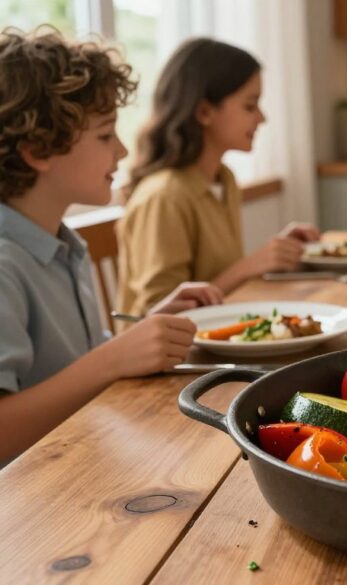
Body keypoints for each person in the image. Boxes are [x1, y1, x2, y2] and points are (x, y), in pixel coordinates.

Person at [0, 29, 222, 462]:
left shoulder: (61, 244)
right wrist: (113, 360)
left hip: (79, 460)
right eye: (105, 135)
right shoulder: (5, 263)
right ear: (38, 150)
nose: (121, 150)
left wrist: (144, 331)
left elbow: (68, 373)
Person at [117, 38, 319, 316]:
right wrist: (251, 265)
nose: (262, 118)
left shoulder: (223, 180)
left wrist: (272, 256)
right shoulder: (164, 197)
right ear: (204, 112)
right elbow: (161, 314)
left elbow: (217, 278)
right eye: (250, 106)